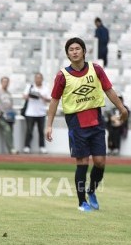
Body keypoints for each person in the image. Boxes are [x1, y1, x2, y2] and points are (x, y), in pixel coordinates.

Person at [46, 37, 128, 212]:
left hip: (96, 120)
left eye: (77, 48)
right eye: (71, 49)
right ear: (67, 54)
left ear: (84, 51)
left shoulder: (96, 69)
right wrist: (49, 124)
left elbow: (108, 90)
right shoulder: (62, 76)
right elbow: (54, 101)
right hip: (76, 123)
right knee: (82, 162)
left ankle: (92, 191)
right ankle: (82, 202)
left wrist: (122, 108)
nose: (74, 51)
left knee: (100, 162)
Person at [22, 73, 50, 154]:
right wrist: (31, 95)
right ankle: (27, 146)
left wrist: (40, 96)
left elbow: (50, 100)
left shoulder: (45, 88)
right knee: (29, 130)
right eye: (36, 78)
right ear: (34, 79)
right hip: (30, 113)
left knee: (41, 131)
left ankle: (42, 147)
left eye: (39, 78)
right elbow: (24, 96)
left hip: (41, 113)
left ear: (42, 79)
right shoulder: (30, 87)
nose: (38, 79)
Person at [0, 76, 17, 154]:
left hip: (9, 115)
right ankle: (11, 149)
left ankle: (11, 148)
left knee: (11, 131)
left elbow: (11, 105)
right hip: (1, 115)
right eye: (4, 82)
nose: (6, 83)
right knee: (7, 130)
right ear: (1, 82)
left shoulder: (9, 93)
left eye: (7, 82)